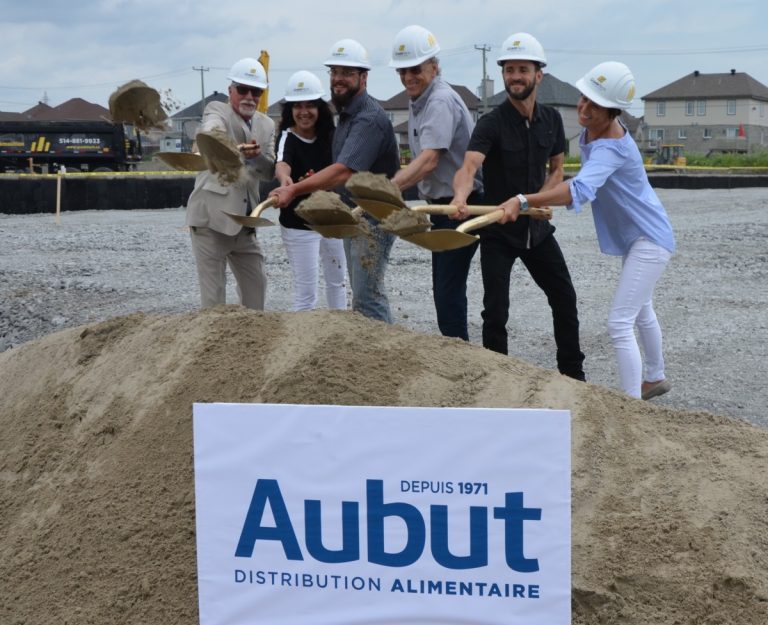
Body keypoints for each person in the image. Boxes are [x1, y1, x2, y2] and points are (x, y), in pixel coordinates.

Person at [496, 62, 675, 400]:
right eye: (583, 98)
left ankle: (630, 405)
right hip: (644, 235)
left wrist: (522, 200)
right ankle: (655, 376)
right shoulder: (598, 130)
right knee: (641, 309)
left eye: (594, 104)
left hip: (649, 240)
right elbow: (573, 183)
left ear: (613, 112)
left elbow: (578, 190)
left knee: (619, 323)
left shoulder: (611, 147)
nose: (583, 107)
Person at [452, 33, 586, 381]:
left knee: (565, 299)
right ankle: (497, 378)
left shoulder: (552, 120)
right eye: (509, 70)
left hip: (537, 229)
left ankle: (573, 377)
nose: (515, 76)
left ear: (538, 74)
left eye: (522, 69)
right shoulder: (491, 123)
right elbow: (468, 167)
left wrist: (539, 200)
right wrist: (460, 198)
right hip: (498, 229)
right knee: (495, 311)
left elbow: (557, 169)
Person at [270, 39, 400, 323]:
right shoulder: (347, 116)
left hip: (374, 217)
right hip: (356, 214)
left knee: (367, 295)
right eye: (334, 72)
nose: (339, 79)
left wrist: (294, 189)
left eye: (347, 73)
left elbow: (342, 171)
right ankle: (372, 351)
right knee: (361, 290)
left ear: (363, 77)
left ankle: (384, 355)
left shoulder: (367, 119)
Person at [388, 25, 483, 341]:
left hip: (459, 207)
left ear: (434, 66)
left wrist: (388, 188)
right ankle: (459, 355)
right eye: (403, 71)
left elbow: (429, 160)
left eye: (415, 69)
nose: (407, 77)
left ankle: (461, 360)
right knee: (446, 290)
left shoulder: (440, 100)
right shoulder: (421, 100)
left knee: (447, 293)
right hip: (442, 209)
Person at [185, 57, 276, 309]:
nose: (249, 96)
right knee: (214, 301)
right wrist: (234, 149)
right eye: (242, 89)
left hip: (245, 224)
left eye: (255, 91)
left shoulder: (266, 124)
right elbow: (211, 132)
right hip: (211, 222)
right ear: (230, 91)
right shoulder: (217, 110)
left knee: (256, 291)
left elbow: (269, 171)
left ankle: (251, 345)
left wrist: (256, 156)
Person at [275, 70, 347, 311]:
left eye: (310, 105)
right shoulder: (287, 136)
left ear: (320, 108)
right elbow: (282, 164)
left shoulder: (331, 135)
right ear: (290, 110)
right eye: (297, 106)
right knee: (306, 293)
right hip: (298, 222)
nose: (304, 112)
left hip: (330, 218)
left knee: (338, 282)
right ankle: (301, 342)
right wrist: (286, 180)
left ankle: (340, 331)